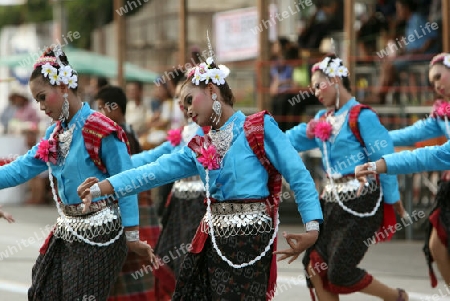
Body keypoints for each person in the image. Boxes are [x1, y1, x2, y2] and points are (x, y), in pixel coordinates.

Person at [77, 52, 323, 300]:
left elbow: (299, 175)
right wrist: (100, 187)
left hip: (251, 242)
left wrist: (312, 228)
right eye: (183, 105)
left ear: (212, 89)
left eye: (190, 101)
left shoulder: (258, 128)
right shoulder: (198, 146)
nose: (186, 110)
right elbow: (151, 172)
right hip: (212, 239)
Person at [0, 46, 155, 300]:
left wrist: (132, 236)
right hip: (68, 230)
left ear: (62, 87)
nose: (40, 106)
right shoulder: (55, 134)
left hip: (101, 234)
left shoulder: (100, 128)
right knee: (42, 292)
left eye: (42, 97)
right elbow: (21, 168)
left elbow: (126, 181)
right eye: (36, 100)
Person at [277, 53, 408, 301]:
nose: (315, 92)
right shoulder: (320, 120)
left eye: (319, 85)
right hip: (332, 201)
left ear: (336, 80)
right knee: (314, 265)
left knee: (340, 271)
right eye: (313, 87)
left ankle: (395, 297)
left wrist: (393, 198)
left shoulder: (362, 116)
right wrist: (260, 140)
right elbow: (288, 141)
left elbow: (385, 158)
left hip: (363, 200)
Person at [380, 52, 450, 288]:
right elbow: (412, 133)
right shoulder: (443, 114)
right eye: (432, 81)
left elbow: (438, 155)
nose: (436, 84)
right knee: (436, 245)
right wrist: (374, 139)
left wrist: (386, 162)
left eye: (440, 76)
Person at [94, 85, 168, 301]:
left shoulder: (118, 137)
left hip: (128, 214)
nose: (98, 113)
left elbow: (125, 183)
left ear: (114, 108)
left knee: (128, 278)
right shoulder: (126, 133)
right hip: (133, 214)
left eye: (101, 107)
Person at [132, 77, 208, 286]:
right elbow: (154, 157)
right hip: (179, 204)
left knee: (192, 262)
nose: (183, 106)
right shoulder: (183, 133)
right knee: (172, 261)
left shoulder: (209, 131)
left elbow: (166, 164)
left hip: (199, 206)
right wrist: (118, 164)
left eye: (188, 99)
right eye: (179, 100)